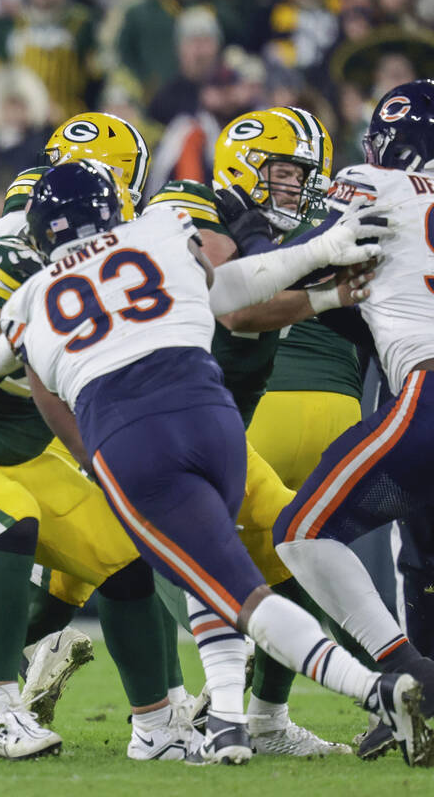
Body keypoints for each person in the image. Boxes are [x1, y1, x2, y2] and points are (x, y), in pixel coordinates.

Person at [0, 159, 432, 766]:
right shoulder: (162, 227)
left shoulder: (26, 302)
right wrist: (327, 263)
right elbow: (230, 290)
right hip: (217, 417)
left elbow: (32, 389)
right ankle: (230, 720)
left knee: (234, 589)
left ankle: (383, 688)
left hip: (136, 437)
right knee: (225, 572)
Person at [0, 113, 203, 763]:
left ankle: (158, 728)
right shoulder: (16, 249)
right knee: (10, 521)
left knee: (128, 556)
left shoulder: (133, 258)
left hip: (25, 449)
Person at [145, 106, 369, 757]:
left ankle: (198, 695)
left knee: (183, 552)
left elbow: (231, 307)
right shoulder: (342, 218)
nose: (298, 184)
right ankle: (271, 711)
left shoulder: (204, 216)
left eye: (303, 173)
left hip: (251, 412)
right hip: (343, 417)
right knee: (300, 562)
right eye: (287, 171)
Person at [273, 79, 434, 745]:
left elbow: (291, 267)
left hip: (427, 391)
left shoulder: (377, 185)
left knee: (302, 530)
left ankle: (405, 677)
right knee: (423, 558)